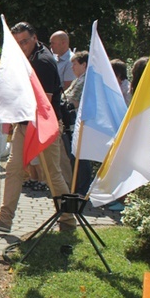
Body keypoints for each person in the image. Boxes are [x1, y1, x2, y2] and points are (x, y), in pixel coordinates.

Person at [0, 21, 76, 234]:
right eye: (17, 42)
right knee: (13, 168)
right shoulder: (26, 58)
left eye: (24, 41)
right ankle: (4, 219)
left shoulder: (43, 62)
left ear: (34, 37)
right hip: (25, 124)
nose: (21, 46)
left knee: (53, 174)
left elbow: (44, 104)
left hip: (44, 127)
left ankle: (68, 220)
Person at [63, 51, 92, 194]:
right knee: (74, 156)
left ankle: (82, 189)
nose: (72, 67)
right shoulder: (78, 79)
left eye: (75, 64)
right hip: (72, 123)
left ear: (84, 64)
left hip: (81, 123)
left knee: (81, 157)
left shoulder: (86, 80)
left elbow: (72, 100)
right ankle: (76, 187)